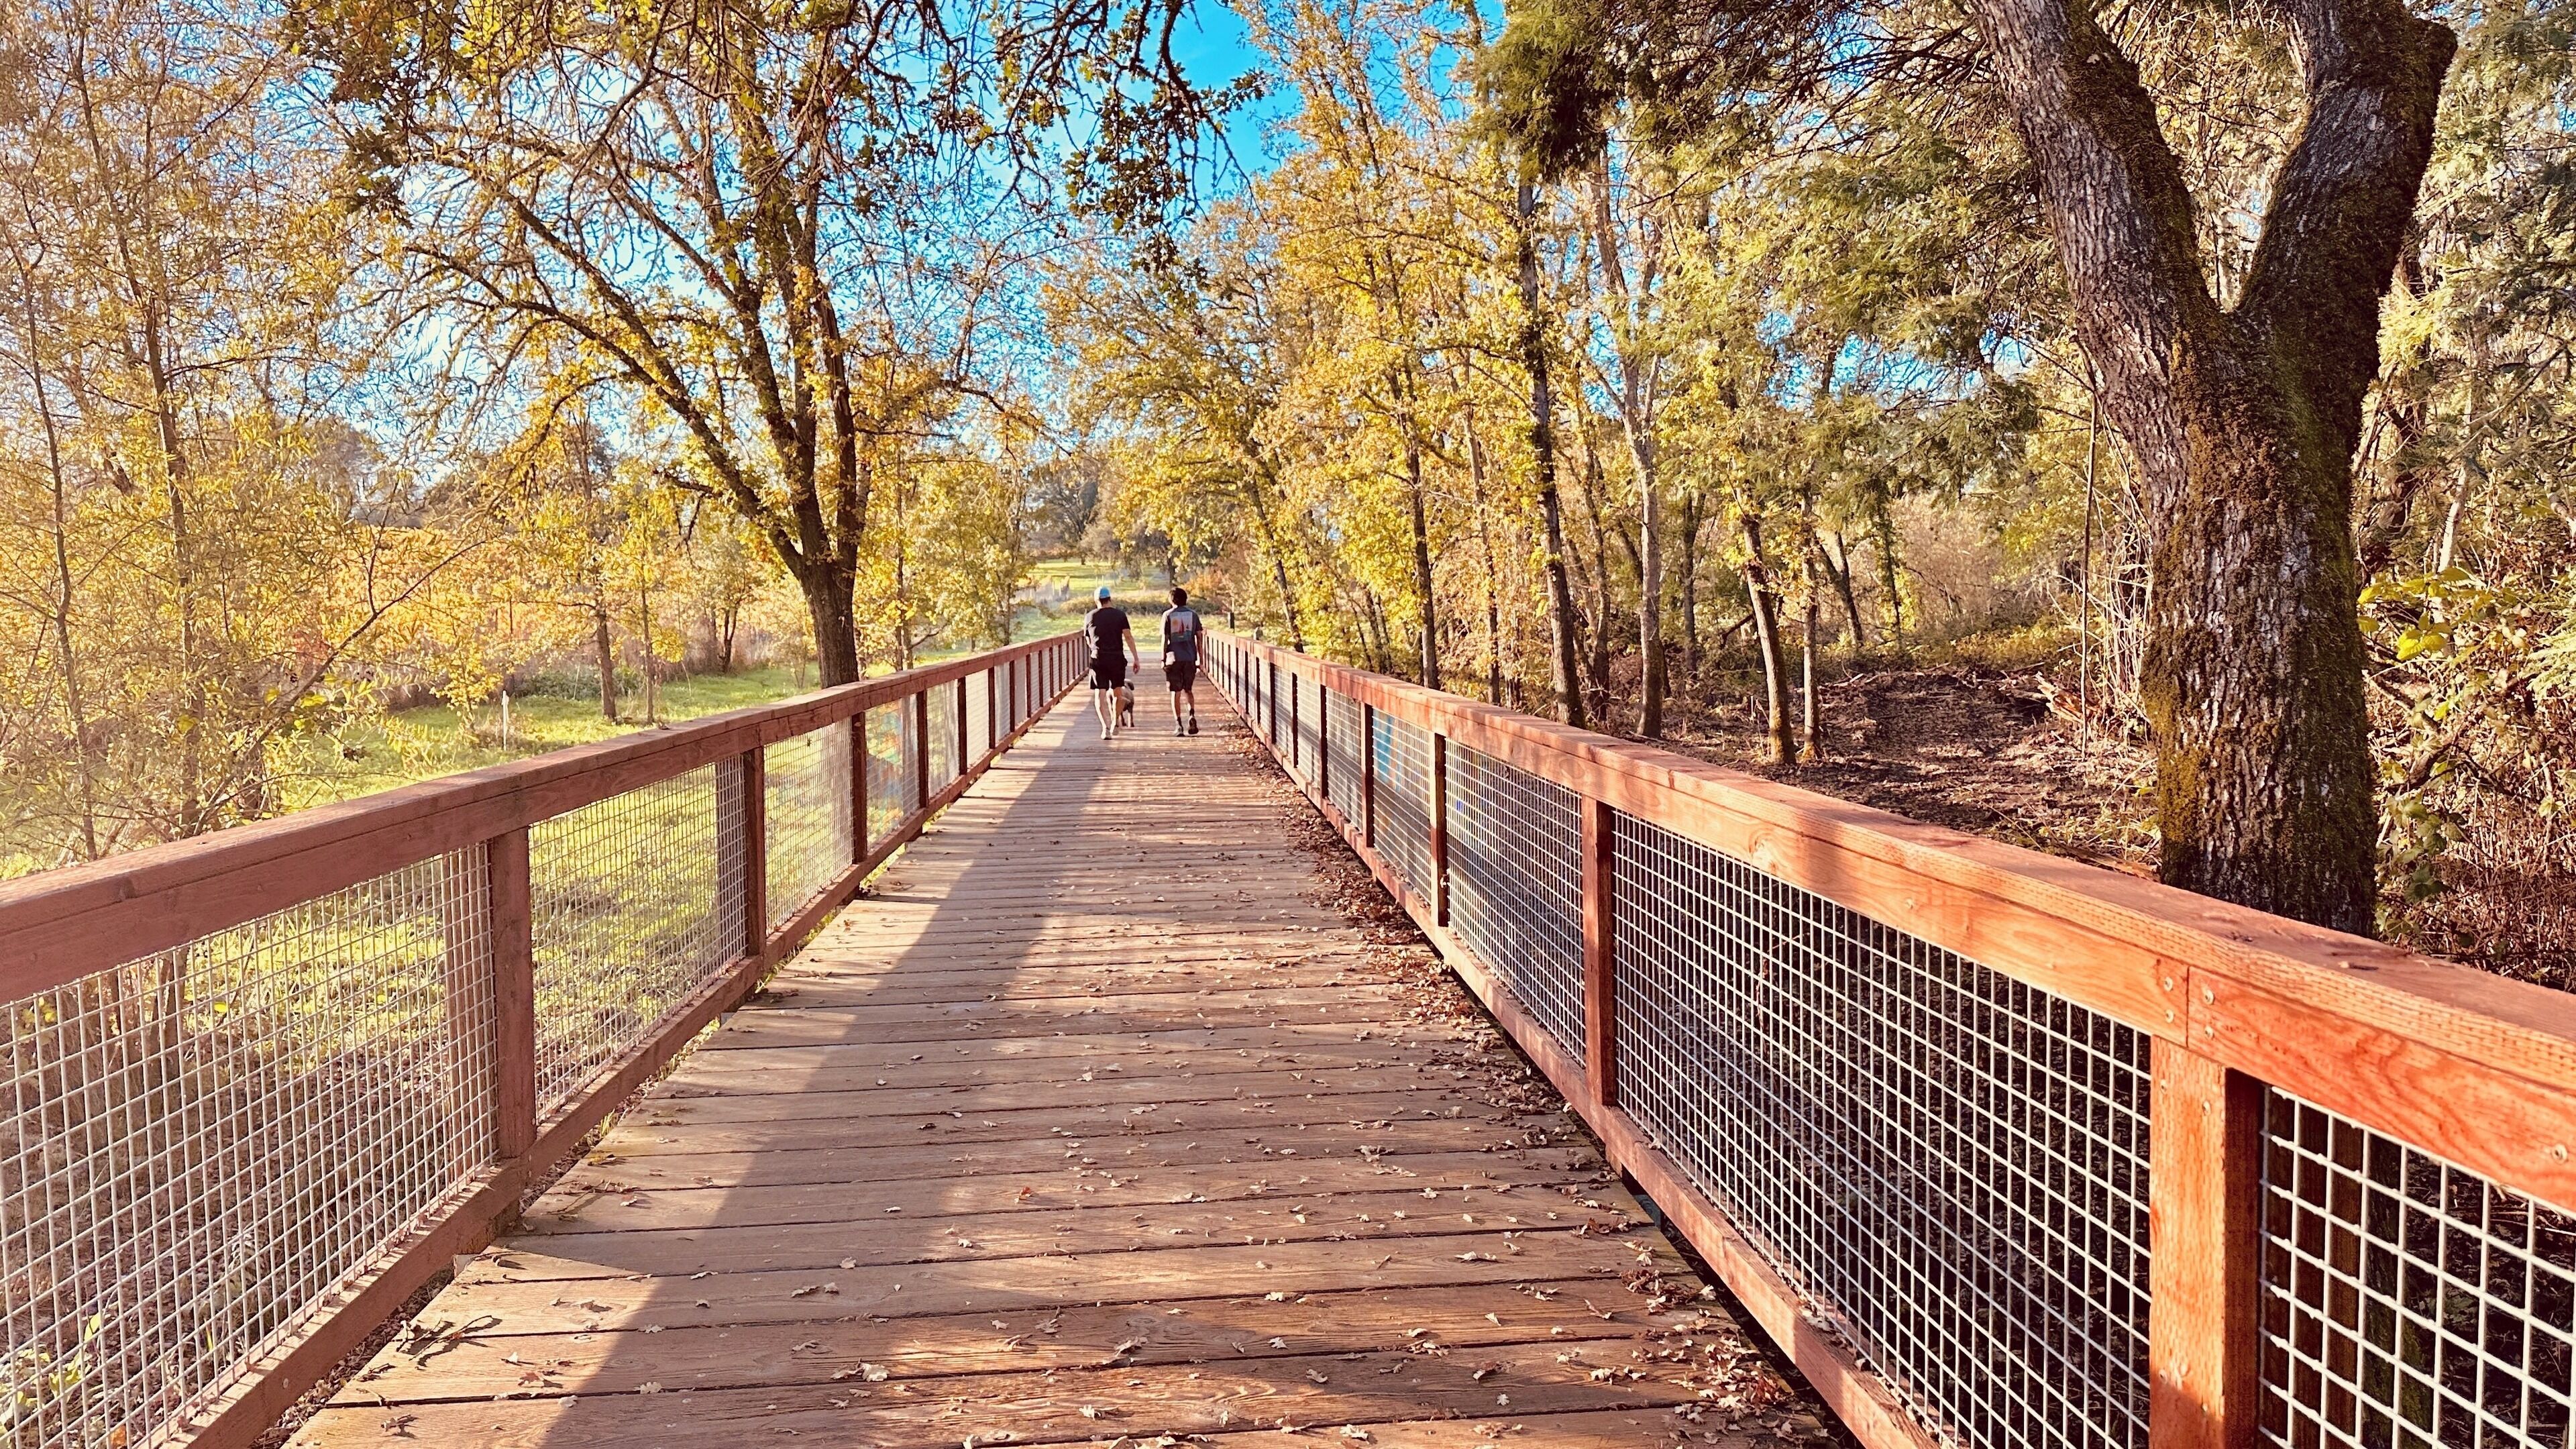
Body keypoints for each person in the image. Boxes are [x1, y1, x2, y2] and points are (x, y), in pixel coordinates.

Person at [1084, 586, 1138, 740]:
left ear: (1097, 601)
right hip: (1116, 658)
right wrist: (1136, 658)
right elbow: (1128, 637)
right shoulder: (1120, 615)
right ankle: (1115, 721)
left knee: (1100, 695)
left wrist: (1095, 647)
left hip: (1098, 658)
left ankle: (1105, 728)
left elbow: (1088, 639)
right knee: (1118, 693)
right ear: (1110, 599)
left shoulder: (1089, 617)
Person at [1161, 586, 1203, 736]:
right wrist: (1200, 658)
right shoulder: (1193, 615)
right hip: (1190, 657)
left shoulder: (1167, 615)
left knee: (1175, 692)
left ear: (1171, 600)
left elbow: (1164, 639)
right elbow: (1199, 637)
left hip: (1173, 658)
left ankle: (1178, 725)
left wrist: (1162, 658)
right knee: (1188, 690)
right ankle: (1191, 714)